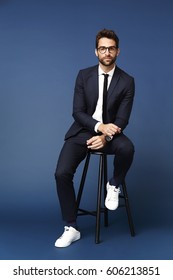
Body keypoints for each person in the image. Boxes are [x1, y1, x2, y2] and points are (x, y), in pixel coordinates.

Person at [54, 28, 135, 248]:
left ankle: (114, 184)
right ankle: (71, 227)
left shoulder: (127, 81)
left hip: (111, 133)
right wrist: (99, 127)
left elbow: (122, 119)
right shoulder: (84, 75)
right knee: (61, 173)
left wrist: (106, 138)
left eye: (111, 48)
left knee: (128, 148)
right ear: (96, 51)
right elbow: (77, 112)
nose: (106, 52)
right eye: (102, 48)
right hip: (83, 130)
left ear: (118, 51)